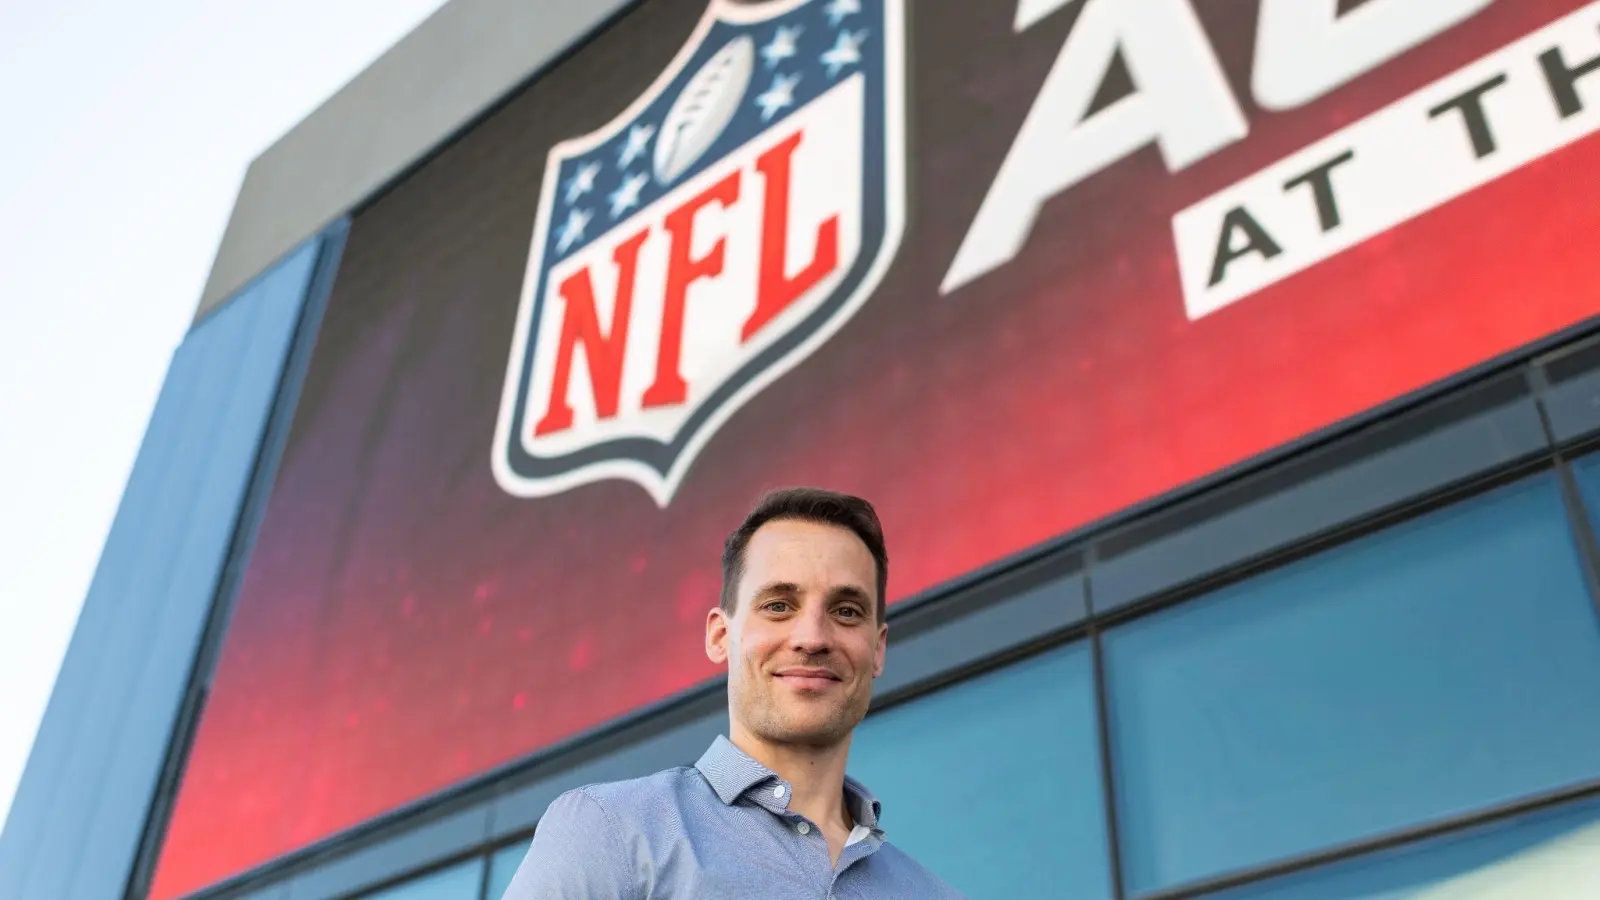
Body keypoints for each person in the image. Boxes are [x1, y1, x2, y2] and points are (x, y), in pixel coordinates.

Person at [501, 487, 965, 899]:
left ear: (878, 650)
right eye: (778, 606)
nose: (812, 637)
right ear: (720, 636)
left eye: (846, 612)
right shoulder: (609, 832)